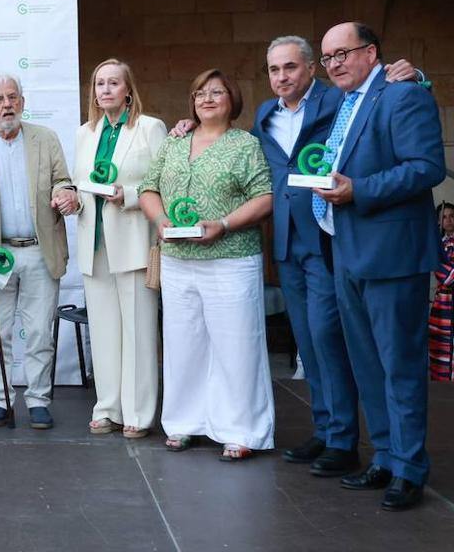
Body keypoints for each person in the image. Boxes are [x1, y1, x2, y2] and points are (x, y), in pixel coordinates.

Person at [170, 41, 422, 474]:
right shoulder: (267, 115)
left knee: (328, 338)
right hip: (287, 242)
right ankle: (325, 431)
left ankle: (344, 439)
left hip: (328, 239)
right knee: (308, 341)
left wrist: (416, 77)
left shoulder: (338, 99)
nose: (282, 76)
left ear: (311, 67)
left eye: (290, 67)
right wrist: (187, 126)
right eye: (273, 69)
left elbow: (375, 102)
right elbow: (231, 146)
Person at [313, 21, 445, 510]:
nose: (335, 64)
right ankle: (386, 456)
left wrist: (358, 191)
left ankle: (410, 467)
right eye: (327, 58)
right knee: (368, 364)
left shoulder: (401, 94)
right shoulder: (347, 103)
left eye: (343, 53)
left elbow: (427, 166)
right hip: (347, 249)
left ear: (372, 53)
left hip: (392, 254)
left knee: (400, 365)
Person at [138, 69, 273, 461]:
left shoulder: (245, 145)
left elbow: (265, 197)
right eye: (200, 93)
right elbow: (149, 187)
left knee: (236, 346)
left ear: (232, 99)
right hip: (179, 261)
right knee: (183, 345)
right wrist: (160, 220)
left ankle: (242, 429)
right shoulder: (175, 141)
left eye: (217, 92)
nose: (207, 98)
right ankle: (184, 424)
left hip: (231, 259)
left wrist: (224, 224)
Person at [0, 73, 75, 430]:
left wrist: (65, 192)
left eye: (12, 97)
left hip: (39, 251)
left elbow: (62, 180)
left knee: (40, 332)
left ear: (22, 101)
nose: (6, 104)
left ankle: (38, 400)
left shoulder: (46, 139)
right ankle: (1, 399)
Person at [71, 59, 166, 438]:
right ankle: (107, 406)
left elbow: (161, 183)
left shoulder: (149, 128)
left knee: (139, 331)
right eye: (99, 84)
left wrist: (125, 195)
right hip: (94, 243)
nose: (105, 89)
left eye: (113, 83)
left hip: (133, 240)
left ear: (128, 89)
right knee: (106, 331)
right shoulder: (84, 133)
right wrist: (69, 198)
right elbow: (80, 185)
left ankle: (138, 413)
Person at [430, 202, 454, 381]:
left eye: (452, 216)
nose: (448, 220)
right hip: (442, 307)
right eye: (444, 217)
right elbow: (446, 277)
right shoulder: (437, 246)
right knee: (440, 352)